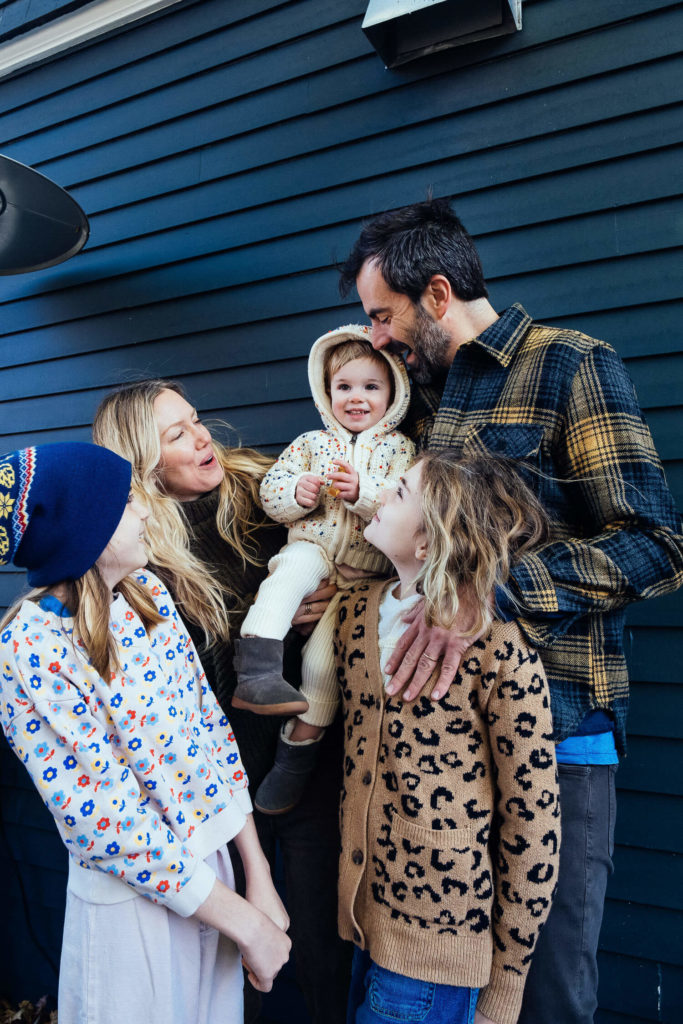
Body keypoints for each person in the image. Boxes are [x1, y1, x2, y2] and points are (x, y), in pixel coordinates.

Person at [338, 197, 683, 1024]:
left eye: (381, 316)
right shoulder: (414, 404)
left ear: (436, 294)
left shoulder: (569, 364)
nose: (375, 339)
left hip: (559, 729)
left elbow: (656, 543)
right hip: (439, 753)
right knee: (440, 983)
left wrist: (486, 595)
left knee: (547, 990)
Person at [0, 442, 290, 1024]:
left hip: (218, 876)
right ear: (86, 528)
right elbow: (102, 823)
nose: (145, 510)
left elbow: (209, 733)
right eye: (128, 500)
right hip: (137, 905)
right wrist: (244, 924)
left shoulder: (147, 597)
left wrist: (257, 875)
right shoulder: (30, 649)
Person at [92, 381, 352, 1024]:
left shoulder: (267, 492)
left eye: (197, 420)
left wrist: (333, 590)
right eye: (176, 434)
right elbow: (174, 680)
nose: (203, 436)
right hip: (217, 779)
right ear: (138, 461)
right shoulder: (134, 548)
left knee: (324, 938)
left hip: (305, 750)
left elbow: (349, 541)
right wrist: (263, 628)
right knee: (238, 949)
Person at [336, 450, 560, 1024]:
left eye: (402, 491)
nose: (383, 491)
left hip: (439, 954)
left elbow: (533, 822)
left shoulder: (497, 646)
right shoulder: (356, 614)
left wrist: (507, 988)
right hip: (363, 926)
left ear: (430, 545)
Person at [237, 325, 415, 814]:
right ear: (326, 391)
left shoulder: (401, 451)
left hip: (362, 578)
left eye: (370, 387)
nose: (356, 399)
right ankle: (256, 670)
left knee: (323, 665)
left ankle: (294, 758)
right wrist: (297, 494)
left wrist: (363, 493)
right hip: (312, 548)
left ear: (393, 393)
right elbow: (271, 494)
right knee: (287, 576)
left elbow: (407, 512)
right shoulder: (311, 443)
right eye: (344, 387)